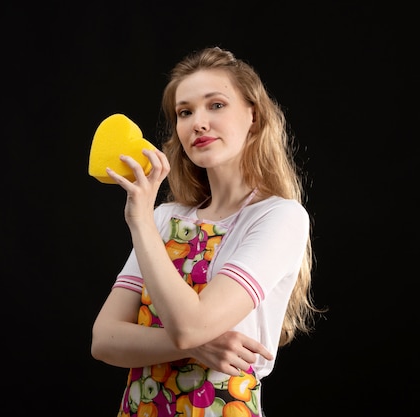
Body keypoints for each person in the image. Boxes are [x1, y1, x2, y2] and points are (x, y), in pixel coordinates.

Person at [91, 46, 323, 417]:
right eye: (185, 112)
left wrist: (139, 222)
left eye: (216, 105)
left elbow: (191, 325)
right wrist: (198, 346)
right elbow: (104, 340)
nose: (198, 122)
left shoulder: (279, 218)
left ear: (254, 116)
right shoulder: (165, 218)